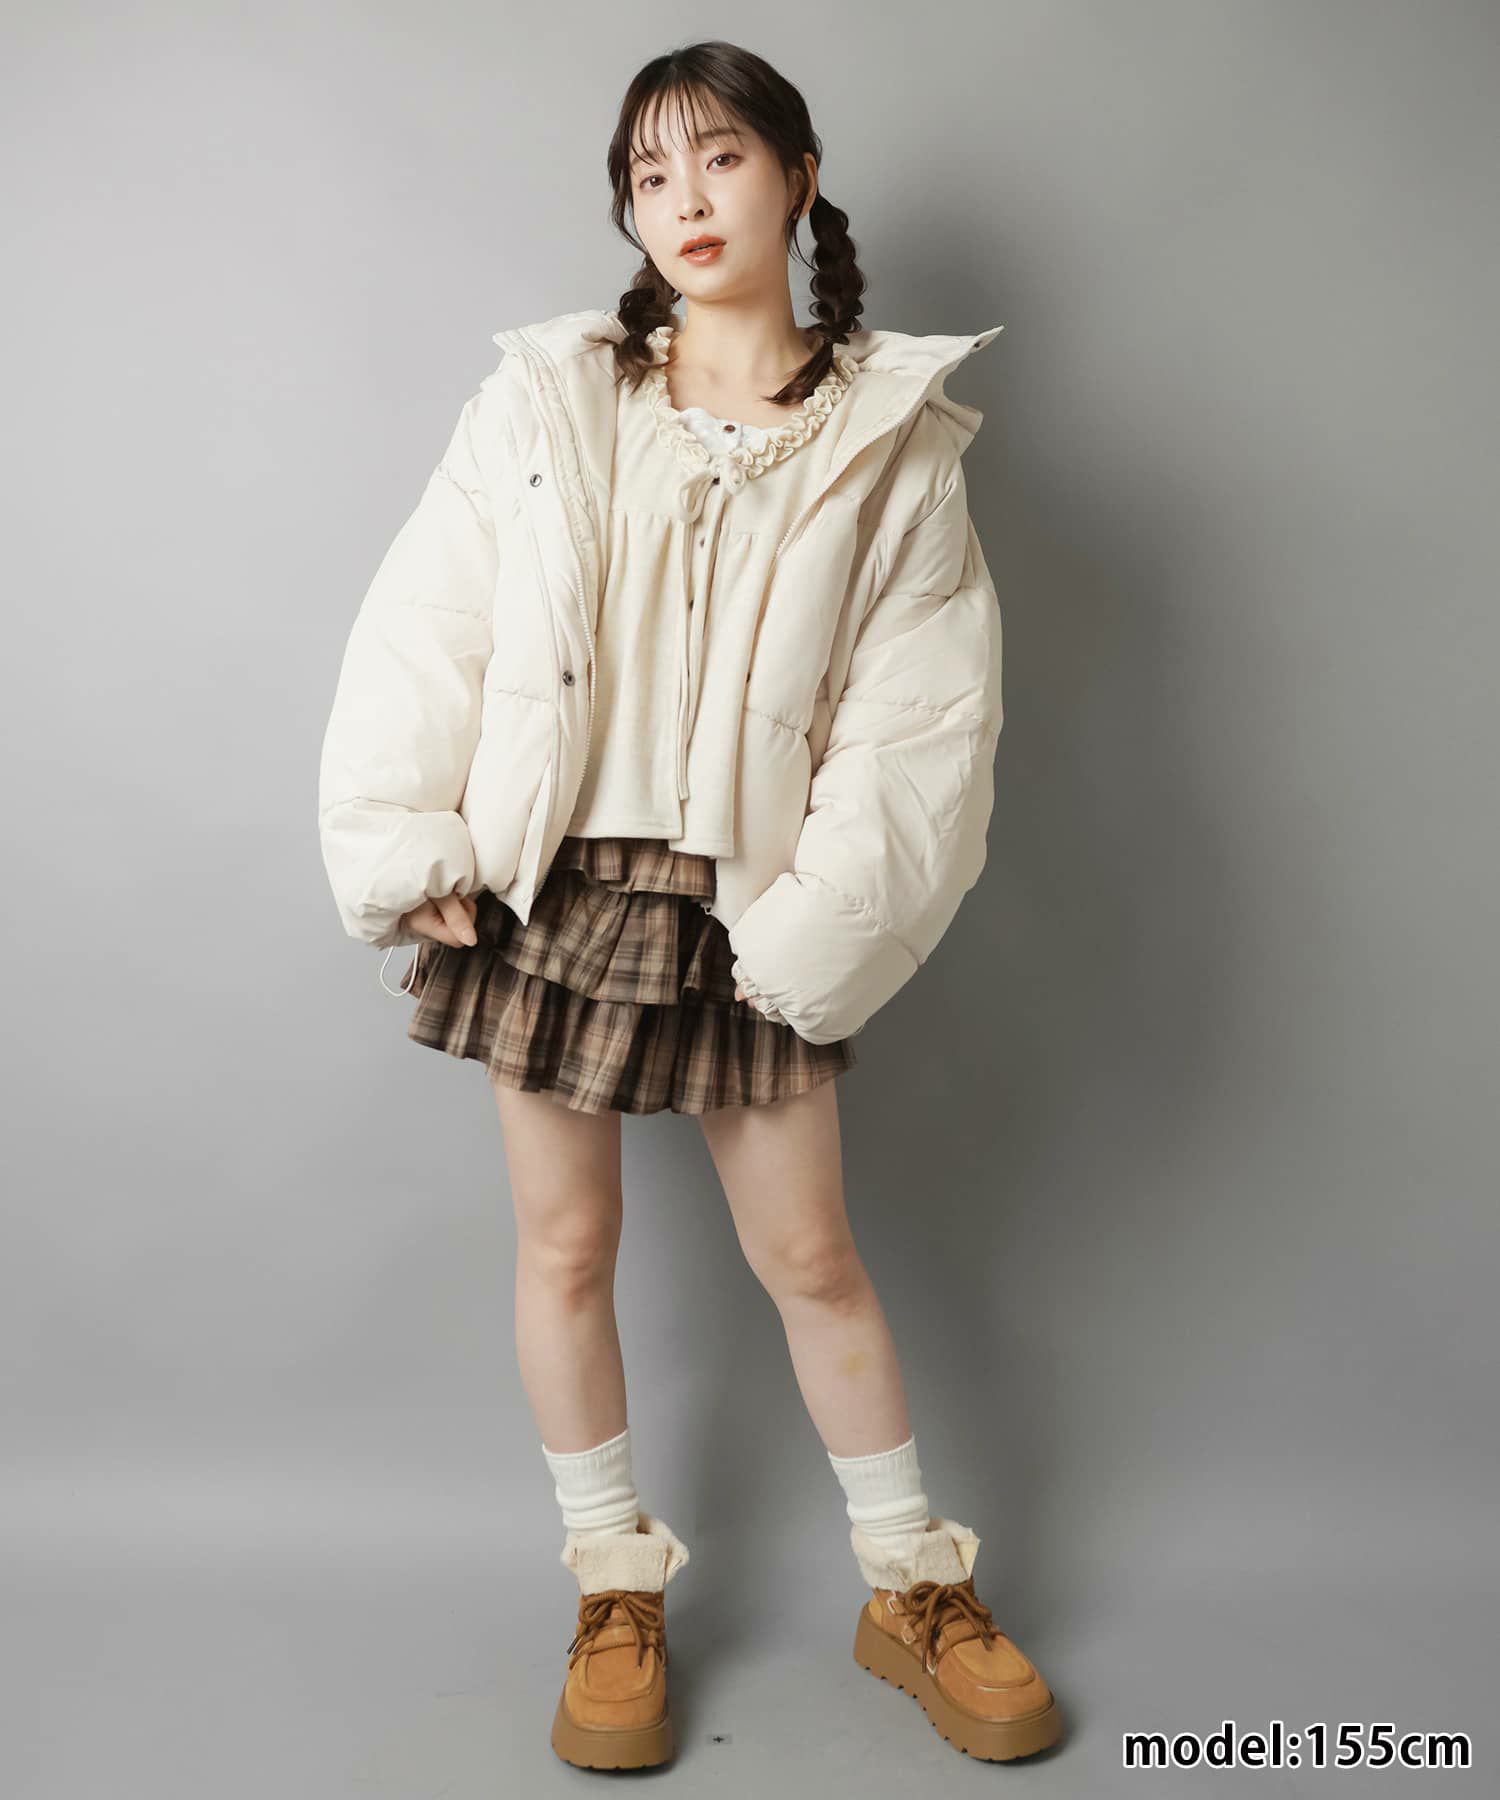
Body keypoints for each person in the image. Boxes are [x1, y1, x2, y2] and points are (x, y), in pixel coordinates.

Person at [317, 38, 1060, 1771]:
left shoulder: (888, 437)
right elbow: (432, 617)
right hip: (556, 880)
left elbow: (923, 716)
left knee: (810, 1257)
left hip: (756, 894)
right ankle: (612, 1590)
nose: (684, 200)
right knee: (565, 1248)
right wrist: (411, 837)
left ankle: (911, 1583)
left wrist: (814, 930)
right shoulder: (551, 398)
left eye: (717, 157)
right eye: (648, 176)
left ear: (798, 176)